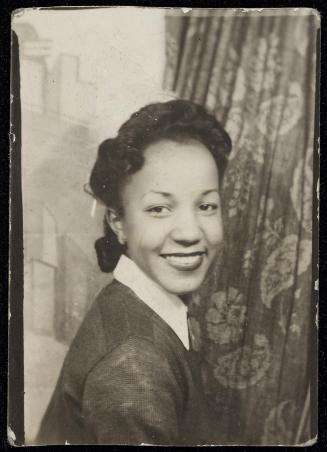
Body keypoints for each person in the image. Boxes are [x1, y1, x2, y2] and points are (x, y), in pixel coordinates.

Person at [36, 99, 232, 445]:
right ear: (118, 222)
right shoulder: (133, 369)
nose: (189, 232)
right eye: (158, 208)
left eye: (206, 205)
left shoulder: (143, 307)